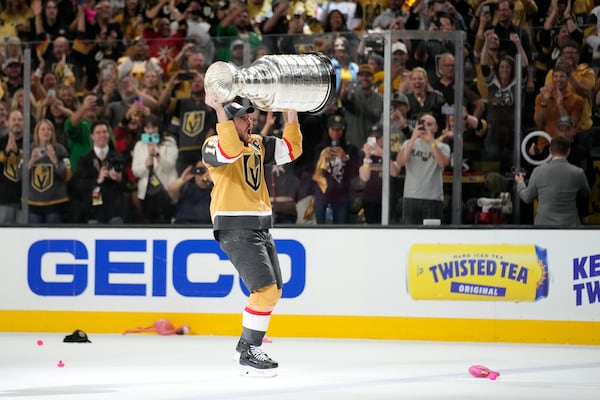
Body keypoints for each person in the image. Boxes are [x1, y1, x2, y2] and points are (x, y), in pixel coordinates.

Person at [201, 96, 302, 377]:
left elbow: (292, 149)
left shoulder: (256, 143)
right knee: (265, 291)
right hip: (234, 225)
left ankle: (245, 348)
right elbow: (230, 150)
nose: (251, 121)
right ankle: (248, 349)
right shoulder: (212, 145)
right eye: (244, 118)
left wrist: (289, 109)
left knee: (275, 290)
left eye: (251, 117)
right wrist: (219, 108)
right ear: (228, 122)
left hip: (259, 225)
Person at [515, 135, 590, 225]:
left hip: (544, 225)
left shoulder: (538, 171)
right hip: (570, 226)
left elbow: (527, 198)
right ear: (568, 151)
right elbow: (586, 193)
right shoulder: (578, 172)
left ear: (550, 150)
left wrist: (520, 183)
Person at [391, 113, 451, 224]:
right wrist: (413, 138)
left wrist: (431, 142)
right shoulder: (408, 143)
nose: (426, 127)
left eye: (429, 124)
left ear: (436, 128)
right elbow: (400, 162)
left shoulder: (443, 147)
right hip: (411, 196)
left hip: (433, 198)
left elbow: (442, 163)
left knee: (431, 236)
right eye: (422, 124)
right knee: (410, 233)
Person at [72, 121, 127, 224]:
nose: (102, 135)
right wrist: (98, 180)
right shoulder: (84, 159)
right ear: (92, 136)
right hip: (93, 211)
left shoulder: (118, 157)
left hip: (114, 210)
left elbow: (127, 184)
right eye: (98, 132)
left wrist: (119, 178)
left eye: (105, 132)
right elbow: (79, 185)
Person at [312, 114, 360, 224]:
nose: (335, 133)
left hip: (341, 194)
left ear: (343, 130)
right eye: (333, 129)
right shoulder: (319, 148)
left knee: (340, 226)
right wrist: (322, 159)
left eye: (339, 130)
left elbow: (355, 173)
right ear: (328, 130)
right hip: (322, 193)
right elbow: (313, 172)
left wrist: (345, 158)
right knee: (320, 226)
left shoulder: (351, 149)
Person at [131, 115, 179, 224]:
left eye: (153, 128)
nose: (151, 131)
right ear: (144, 129)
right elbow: (135, 171)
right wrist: (145, 166)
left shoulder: (169, 143)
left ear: (158, 128)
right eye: (147, 128)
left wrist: (157, 154)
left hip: (165, 190)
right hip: (146, 192)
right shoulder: (139, 145)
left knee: (164, 221)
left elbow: (169, 166)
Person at [26, 119, 71, 224]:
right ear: (37, 132)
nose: (46, 132)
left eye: (49, 129)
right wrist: (31, 161)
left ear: (52, 132)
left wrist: (55, 160)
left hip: (55, 204)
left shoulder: (60, 150)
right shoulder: (29, 150)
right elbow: (20, 176)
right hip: (33, 204)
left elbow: (67, 175)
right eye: (43, 129)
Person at [0, 110, 25, 224]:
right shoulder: (1, 141)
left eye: (20, 120)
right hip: (4, 199)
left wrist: (17, 152)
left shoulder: (30, 141)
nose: (17, 122)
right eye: (13, 120)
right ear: (7, 122)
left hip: (25, 199)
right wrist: (6, 152)